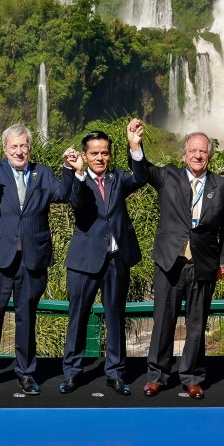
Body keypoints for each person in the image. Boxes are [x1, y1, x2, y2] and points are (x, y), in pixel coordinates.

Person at [129, 119, 224, 400]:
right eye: (193, 150)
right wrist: (135, 146)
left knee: (197, 324)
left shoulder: (222, 186)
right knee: (163, 321)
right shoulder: (169, 177)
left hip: (203, 264)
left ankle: (192, 377)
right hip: (169, 262)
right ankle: (157, 376)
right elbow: (143, 172)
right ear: (184, 155)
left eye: (203, 151)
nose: (198, 155)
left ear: (209, 156)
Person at [0, 123, 67, 396]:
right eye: (14, 146)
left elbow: (63, 194)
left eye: (24, 145)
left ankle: (26, 372)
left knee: (27, 318)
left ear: (30, 147)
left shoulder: (43, 173)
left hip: (32, 258)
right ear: (5, 149)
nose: (19, 151)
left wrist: (72, 170)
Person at [58, 129, 146, 396]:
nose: (100, 157)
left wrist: (135, 146)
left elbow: (141, 178)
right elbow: (77, 201)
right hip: (84, 261)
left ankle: (116, 373)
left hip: (116, 259)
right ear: (85, 155)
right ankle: (72, 373)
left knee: (115, 317)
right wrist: (80, 173)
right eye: (94, 153)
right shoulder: (78, 178)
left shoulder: (118, 177)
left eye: (104, 153)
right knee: (78, 317)